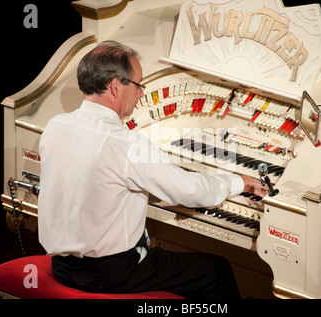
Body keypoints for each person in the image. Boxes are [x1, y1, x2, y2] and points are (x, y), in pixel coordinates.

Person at [38, 41, 269, 299]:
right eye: (138, 86)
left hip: (62, 267)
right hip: (112, 275)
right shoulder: (125, 142)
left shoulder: (55, 126)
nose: (141, 95)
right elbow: (189, 190)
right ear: (116, 86)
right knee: (215, 270)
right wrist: (238, 182)